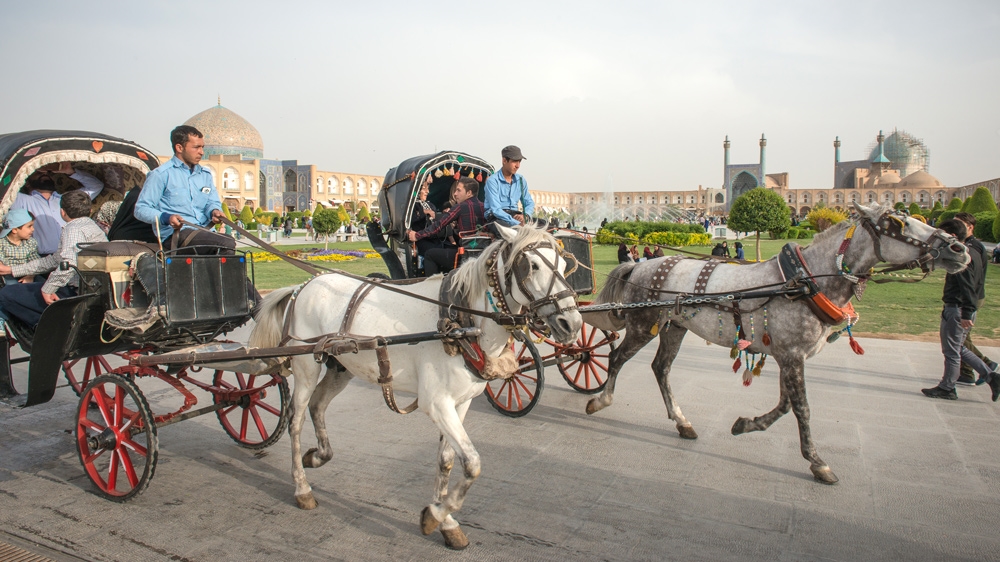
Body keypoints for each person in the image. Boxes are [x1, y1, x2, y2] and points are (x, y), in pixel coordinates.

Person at [0, 190, 106, 329]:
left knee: (6, 294)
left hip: (77, 291)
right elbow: (54, 260)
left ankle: (45, 327)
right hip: (92, 288)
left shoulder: (73, 229)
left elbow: (68, 264)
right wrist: (12, 270)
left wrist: (48, 289)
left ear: (62, 212)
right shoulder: (93, 227)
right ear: (90, 210)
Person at [921, 220, 1000, 401]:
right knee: (959, 348)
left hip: (958, 308)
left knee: (951, 351)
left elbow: (968, 287)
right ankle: (991, 376)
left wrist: (966, 312)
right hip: (961, 307)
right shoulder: (970, 251)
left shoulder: (961, 256)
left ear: (953, 236)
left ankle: (947, 387)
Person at [133, 125, 233, 254]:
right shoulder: (161, 174)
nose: (201, 152)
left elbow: (211, 202)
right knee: (225, 242)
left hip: (205, 231)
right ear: (179, 148)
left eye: (202, 147)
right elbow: (141, 209)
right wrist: (166, 217)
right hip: (177, 234)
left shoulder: (205, 175)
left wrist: (214, 212)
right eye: (196, 147)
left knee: (228, 245)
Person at [12, 162, 105, 255]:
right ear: (27, 183)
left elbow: (96, 186)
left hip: (75, 255)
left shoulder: (67, 199)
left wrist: (70, 171)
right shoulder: (22, 200)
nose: (44, 174)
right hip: (43, 259)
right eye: (38, 173)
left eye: (47, 173)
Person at [407, 177, 485, 275]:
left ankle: (432, 287)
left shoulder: (460, 207)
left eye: (458, 190)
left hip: (465, 256)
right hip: (482, 256)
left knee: (430, 255)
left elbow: (439, 225)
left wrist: (417, 235)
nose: (455, 194)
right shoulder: (485, 207)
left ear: (469, 193)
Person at [953, 212, 996, 385]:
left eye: (958, 225)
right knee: (963, 338)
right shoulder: (968, 244)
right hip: (971, 296)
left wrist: (967, 305)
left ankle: (986, 365)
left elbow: (971, 279)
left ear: (969, 227)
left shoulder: (972, 248)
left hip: (970, 297)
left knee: (957, 340)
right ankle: (966, 374)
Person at [484, 145, 534, 227]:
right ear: (504, 160)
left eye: (519, 161)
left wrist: (525, 216)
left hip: (516, 215)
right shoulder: (492, 181)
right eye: (514, 161)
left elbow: (529, 203)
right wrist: (516, 223)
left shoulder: (521, 180)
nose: (518, 165)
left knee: (544, 226)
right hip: (497, 217)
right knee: (511, 231)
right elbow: (496, 210)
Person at [0, 209, 41, 285]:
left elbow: (36, 263)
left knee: (42, 284)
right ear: (15, 230)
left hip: (28, 273)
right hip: (8, 276)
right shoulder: (2, 243)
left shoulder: (31, 242)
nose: (33, 229)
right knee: (13, 288)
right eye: (29, 226)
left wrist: (30, 276)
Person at [411, 177, 444, 260]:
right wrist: (423, 212)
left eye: (428, 189)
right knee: (435, 252)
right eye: (424, 189)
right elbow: (411, 220)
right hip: (420, 239)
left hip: (434, 237)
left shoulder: (431, 205)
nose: (427, 192)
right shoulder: (411, 206)